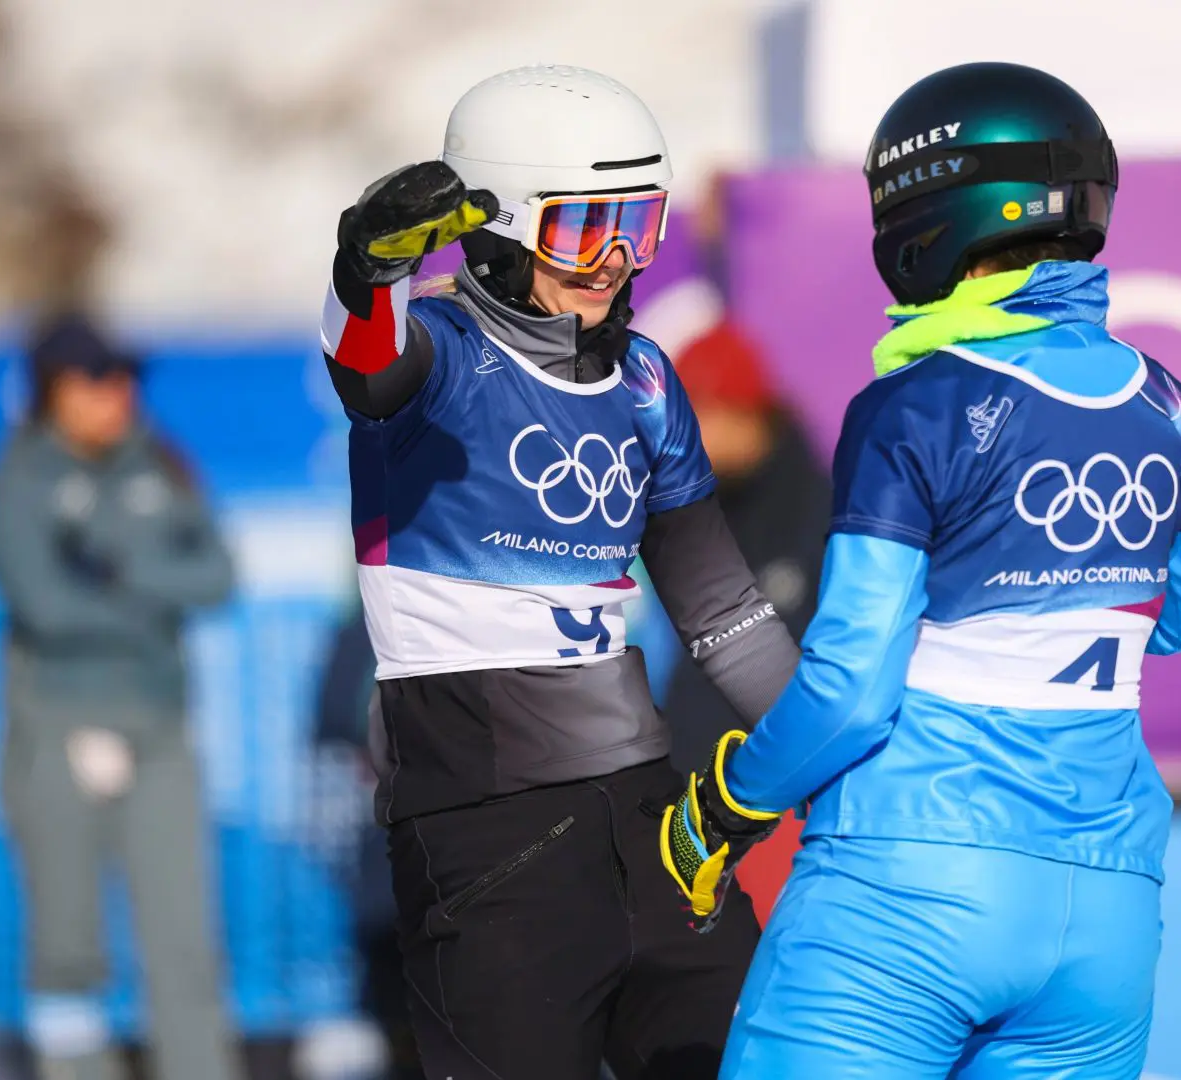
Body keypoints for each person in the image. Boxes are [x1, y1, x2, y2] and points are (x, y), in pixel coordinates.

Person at [660, 62, 1181, 1078]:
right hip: (1104, 914)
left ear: (927, 215)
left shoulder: (917, 407)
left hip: (907, 893)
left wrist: (721, 807)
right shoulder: (1171, 405)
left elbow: (847, 699)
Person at [319, 65, 800, 1080]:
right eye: (585, 230)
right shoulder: (439, 355)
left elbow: (722, 611)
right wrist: (363, 267)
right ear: (497, 232)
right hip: (489, 840)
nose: (618, 263)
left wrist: (837, 742)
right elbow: (367, 364)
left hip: (647, 818)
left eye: (642, 225)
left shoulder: (646, 379)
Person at [0, 314, 242, 1080]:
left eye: (123, 377)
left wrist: (120, 573)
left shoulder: (158, 463)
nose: (115, 394)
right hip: (58, 723)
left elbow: (217, 577)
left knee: (183, 940)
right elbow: (46, 608)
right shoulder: (21, 477)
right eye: (95, 379)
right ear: (52, 390)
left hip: (159, 727)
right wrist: (150, 602)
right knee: (69, 944)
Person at [657, 321, 830, 774]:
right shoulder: (694, 513)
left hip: (778, 797)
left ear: (743, 412)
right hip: (692, 792)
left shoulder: (823, 520)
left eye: (697, 416)